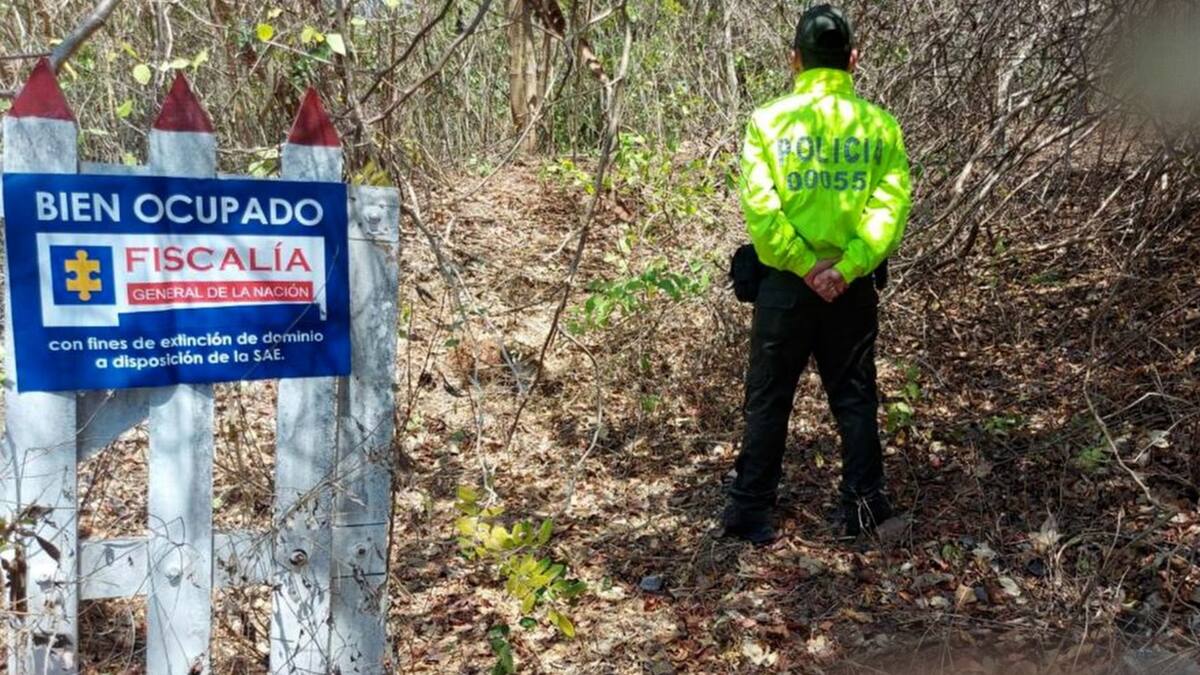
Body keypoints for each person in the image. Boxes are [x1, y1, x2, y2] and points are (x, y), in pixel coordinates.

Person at [722, 4, 912, 544]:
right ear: (853, 60)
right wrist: (845, 269)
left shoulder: (768, 122)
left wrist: (805, 266)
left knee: (768, 398)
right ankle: (865, 510)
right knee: (854, 398)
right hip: (850, 288)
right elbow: (889, 210)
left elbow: (762, 213)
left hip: (785, 285)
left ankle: (749, 514)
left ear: (795, 60)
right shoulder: (879, 127)